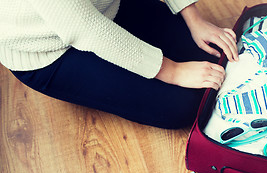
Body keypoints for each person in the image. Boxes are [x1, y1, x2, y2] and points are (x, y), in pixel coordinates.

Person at [0, 0, 239, 129]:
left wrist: (194, 18)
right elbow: (85, 27)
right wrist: (173, 71)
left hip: (105, 6)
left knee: (212, 55)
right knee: (183, 107)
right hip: (47, 47)